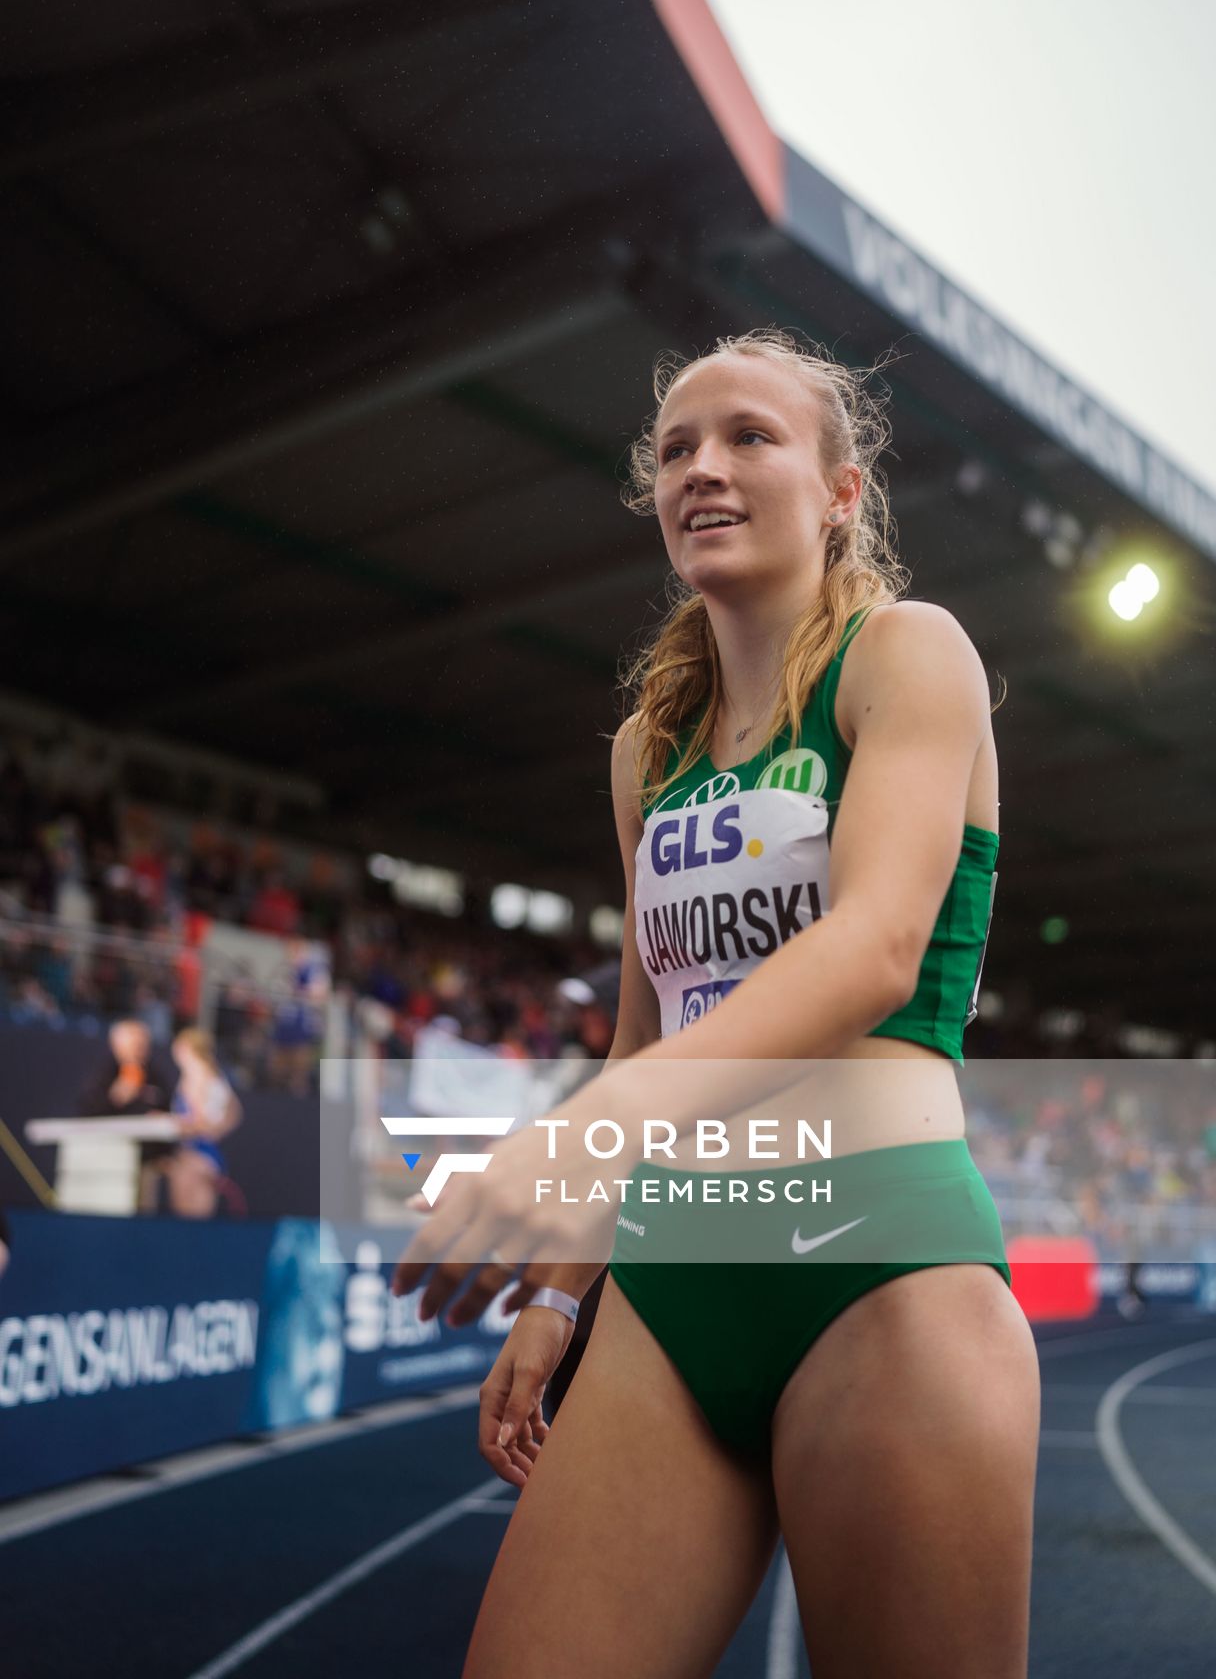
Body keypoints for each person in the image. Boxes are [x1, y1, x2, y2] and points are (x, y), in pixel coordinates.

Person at [393, 329, 1041, 1677]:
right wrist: (562, 1299)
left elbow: (874, 947)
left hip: (882, 1259)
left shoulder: (909, 654)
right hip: (678, 1274)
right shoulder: (649, 753)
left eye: (750, 437)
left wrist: (588, 1130)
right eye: (677, 447)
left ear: (843, 491)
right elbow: (649, 1037)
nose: (704, 467)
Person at [78, 1017, 174, 1214]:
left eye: (143, 1045)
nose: (139, 1050)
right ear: (117, 1045)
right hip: (105, 1158)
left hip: (146, 1159)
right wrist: (117, 1096)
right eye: (134, 1045)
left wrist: (165, 1153)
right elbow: (86, 1111)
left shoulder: (156, 1075)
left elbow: (168, 1114)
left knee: (143, 1207)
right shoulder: (104, 1074)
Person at [165, 1025, 243, 1218]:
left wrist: (175, 1125)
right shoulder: (213, 1074)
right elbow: (234, 1113)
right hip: (204, 1152)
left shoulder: (197, 1076)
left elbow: (197, 1120)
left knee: (189, 1214)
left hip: (197, 1153)